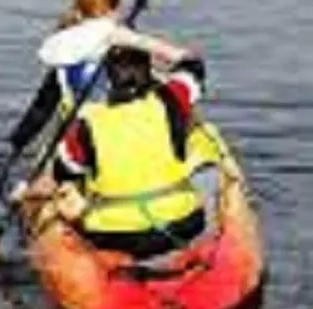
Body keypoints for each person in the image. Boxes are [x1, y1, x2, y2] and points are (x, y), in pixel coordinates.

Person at [17, 24, 207, 259]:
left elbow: (61, 176)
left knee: (62, 198)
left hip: (115, 237)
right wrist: (141, 41)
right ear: (150, 71)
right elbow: (193, 64)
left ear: (109, 80)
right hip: (186, 224)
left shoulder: (85, 125)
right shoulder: (172, 98)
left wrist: (27, 198)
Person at [7, 0, 122, 158]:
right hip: (92, 131)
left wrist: (19, 141)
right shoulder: (113, 45)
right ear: (110, 12)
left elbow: (42, 107)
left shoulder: (68, 52)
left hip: (81, 127)